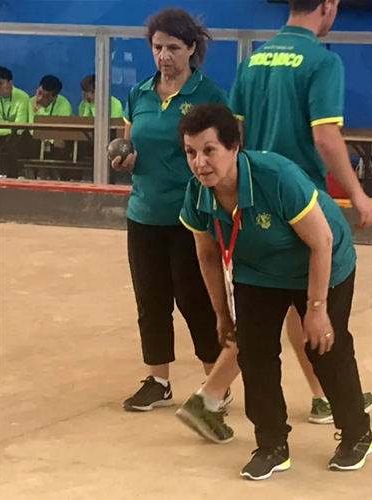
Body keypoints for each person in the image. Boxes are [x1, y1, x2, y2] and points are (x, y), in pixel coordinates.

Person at [178, 0, 372, 431]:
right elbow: (325, 137)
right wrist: (359, 194)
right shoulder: (322, 61)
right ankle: (210, 396)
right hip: (296, 197)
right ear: (328, 5)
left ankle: (321, 395)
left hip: (245, 197)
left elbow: (236, 136)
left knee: (276, 309)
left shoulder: (252, 62)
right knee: (294, 304)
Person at [178, 102, 372, 480]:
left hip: (322, 262)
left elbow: (321, 241)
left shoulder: (276, 177)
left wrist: (316, 310)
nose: (200, 163)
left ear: (234, 148)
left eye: (209, 150)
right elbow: (206, 254)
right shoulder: (197, 193)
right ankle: (271, 445)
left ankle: (356, 434)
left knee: (324, 348)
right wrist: (222, 313)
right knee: (254, 353)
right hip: (258, 270)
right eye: (191, 152)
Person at [110, 8, 231, 418]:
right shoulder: (139, 94)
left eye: (174, 48)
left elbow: (224, 156)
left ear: (192, 49)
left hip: (191, 216)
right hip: (143, 212)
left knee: (195, 299)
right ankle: (158, 381)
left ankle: (215, 382)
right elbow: (131, 143)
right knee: (151, 299)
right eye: (158, 47)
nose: (164, 56)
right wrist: (126, 160)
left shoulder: (210, 95)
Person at [0, 66, 30, 177]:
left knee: (12, 141)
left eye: (0, 83)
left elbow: (19, 127)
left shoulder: (22, 97)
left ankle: (12, 177)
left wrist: (4, 129)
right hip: (3, 135)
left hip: (17, 137)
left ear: (10, 83)